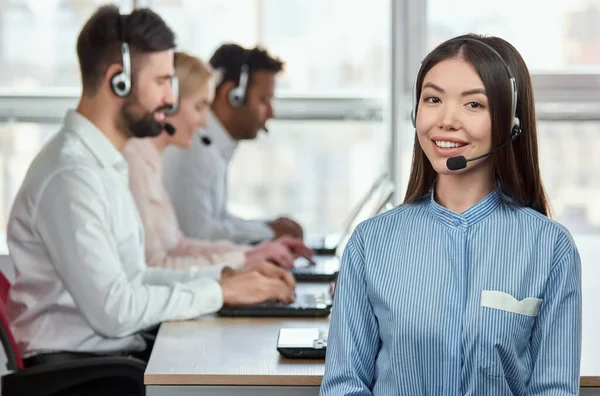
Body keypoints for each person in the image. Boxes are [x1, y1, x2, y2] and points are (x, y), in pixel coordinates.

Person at [5, 4, 295, 388]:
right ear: (118, 82)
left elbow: (136, 278)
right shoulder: (70, 176)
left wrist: (226, 277)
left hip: (111, 358)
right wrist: (218, 290)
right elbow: (115, 310)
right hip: (81, 374)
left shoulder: (104, 164)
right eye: (161, 81)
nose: (169, 99)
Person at [320, 34, 582, 395]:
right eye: (433, 99)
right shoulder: (371, 243)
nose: (446, 120)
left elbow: (554, 390)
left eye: (473, 105)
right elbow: (343, 385)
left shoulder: (550, 248)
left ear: (509, 123)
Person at [123, 51, 313, 270]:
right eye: (199, 106)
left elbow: (179, 245)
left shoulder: (158, 160)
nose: (204, 121)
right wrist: (243, 265)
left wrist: (255, 252)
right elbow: (179, 247)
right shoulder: (180, 153)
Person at [162, 43, 303, 244]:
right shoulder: (191, 148)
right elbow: (197, 233)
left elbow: (219, 219)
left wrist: (268, 228)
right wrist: (268, 232)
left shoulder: (212, 148)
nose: (271, 113)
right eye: (264, 100)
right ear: (233, 95)